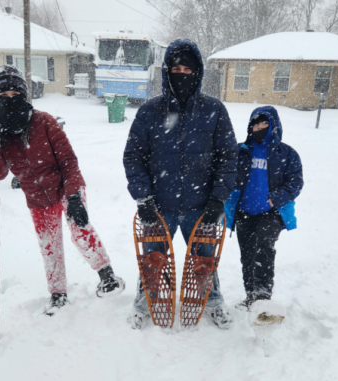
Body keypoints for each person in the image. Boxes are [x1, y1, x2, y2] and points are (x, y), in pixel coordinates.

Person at [0, 65, 125, 315]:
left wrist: (73, 197)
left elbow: (68, 160)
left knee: (80, 229)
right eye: (3, 96)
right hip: (36, 197)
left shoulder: (44, 121)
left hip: (66, 187)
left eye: (15, 94)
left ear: (23, 95)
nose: (10, 100)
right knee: (49, 244)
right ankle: (58, 293)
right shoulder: (0, 133)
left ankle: (107, 275)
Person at [123, 39, 238, 329]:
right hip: (159, 207)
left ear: (197, 72)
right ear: (166, 72)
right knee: (153, 260)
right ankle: (145, 303)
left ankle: (211, 302)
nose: (182, 73)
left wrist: (218, 199)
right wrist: (144, 199)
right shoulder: (150, 111)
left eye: (188, 68)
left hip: (202, 208)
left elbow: (228, 157)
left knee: (204, 262)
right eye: (176, 68)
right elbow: (133, 157)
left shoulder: (214, 109)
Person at [224, 106, 304, 311]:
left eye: (264, 123)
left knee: (264, 249)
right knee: (247, 254)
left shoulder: (286, 153)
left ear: (274, 126)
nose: (259, 127)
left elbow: (295, 182)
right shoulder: (240, 151)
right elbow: (223, 173)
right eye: (256, 123)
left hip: (271, 213)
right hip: (244, 212)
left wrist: (275, 199)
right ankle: (250, 295)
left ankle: (262, 298)